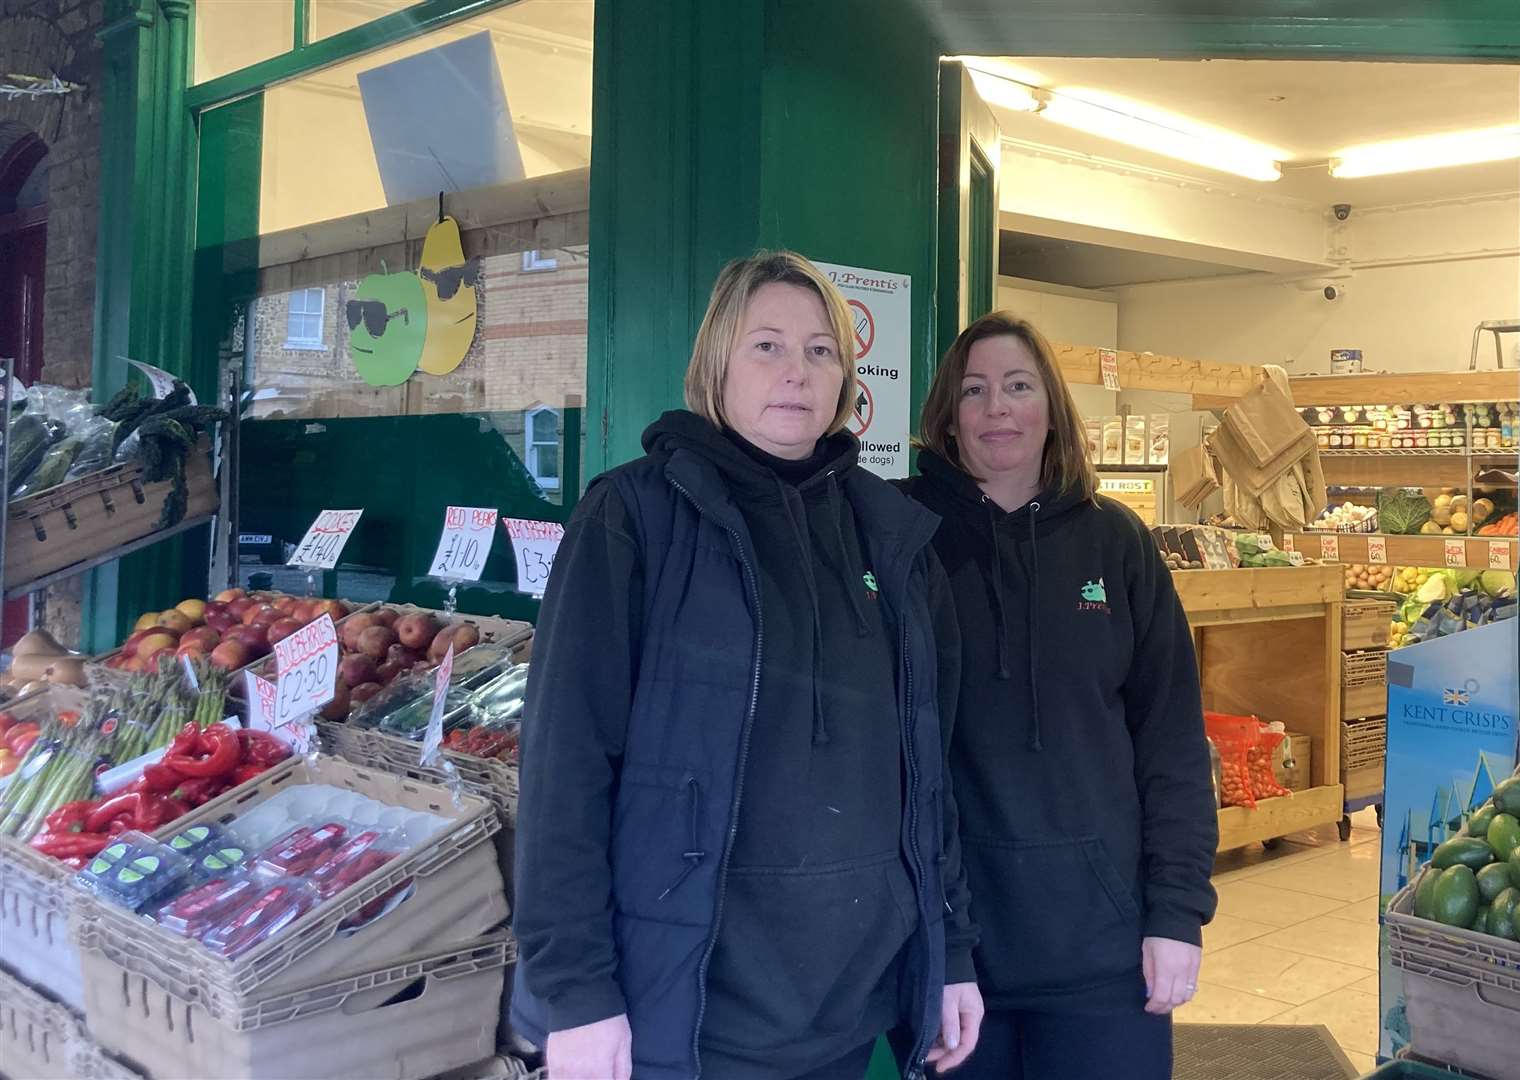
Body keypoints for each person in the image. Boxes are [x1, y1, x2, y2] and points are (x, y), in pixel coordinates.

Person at [512, 251, 983, 1080]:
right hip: (688, 1010)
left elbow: (926, 772)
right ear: (716, 363)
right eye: (766, 345)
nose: (796, 373)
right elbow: (565, 768)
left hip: (850, 1006)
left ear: (845, 376)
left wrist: (950, 951)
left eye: (821, 350)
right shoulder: (633, 518)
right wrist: (575, 992)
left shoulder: (888, 534)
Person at [898, 312, 1218, 1079]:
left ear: (1051, 408)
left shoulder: (1117, 542)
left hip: (1104, 951)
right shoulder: (904, 539)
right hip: (951, 948)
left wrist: (1175, 913)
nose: (997, 409)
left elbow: (1171, 735)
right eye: (974, 391)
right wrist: (932, 943)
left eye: (1018, 386)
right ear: (946, 413)